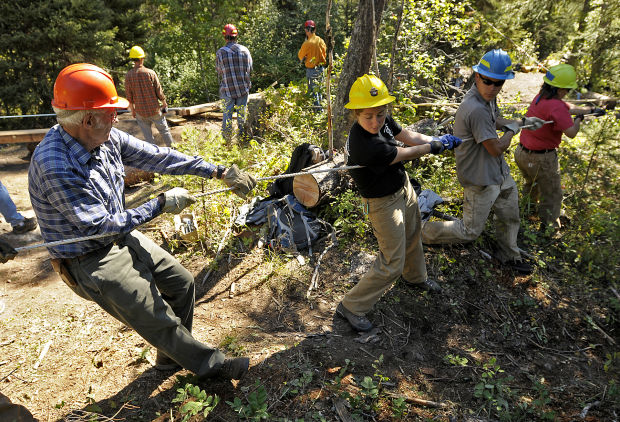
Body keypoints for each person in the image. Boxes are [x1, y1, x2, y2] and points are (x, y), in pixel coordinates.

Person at [28, 63, 257, 381]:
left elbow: (160, 156)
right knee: (156, 317)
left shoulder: (104, 137)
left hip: (119, 235)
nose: (117, 117)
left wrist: (218, 171)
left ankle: (169, 357)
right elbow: (99, 226)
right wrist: (161, 204)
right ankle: (212, 366)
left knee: (182, 283)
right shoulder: (55, 164)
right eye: (111, 112)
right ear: (88, 119)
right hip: (88, 257)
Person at [336, 74, 462, 332]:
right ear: (356, 114)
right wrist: (433, 147)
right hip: (381, 202)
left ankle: (415, 278)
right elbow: (405, 152)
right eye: (368, 116)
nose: (375, 121)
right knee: (392, 260)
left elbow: (407, 136)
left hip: (402, 187)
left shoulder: (382, 119)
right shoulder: (364, 144)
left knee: (413, 234)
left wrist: (437, 140)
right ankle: (351, 306)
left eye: (380, 114)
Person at [421, 49, 546, 275]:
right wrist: (513, 130)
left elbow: (494, 120)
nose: (492, 88)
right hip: (480, 178)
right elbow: (496, 148)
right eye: (488, 81)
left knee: (509, 215)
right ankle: (419, 232)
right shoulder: (475, 108)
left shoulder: (487, 98)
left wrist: (521, 121)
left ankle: (509, 255)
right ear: (477, 76)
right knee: (469, 230)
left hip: (498, 174)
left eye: (498, 83)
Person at [514, 64, 601, 231]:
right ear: (560, 89)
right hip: (541, 159)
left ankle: (527, 214)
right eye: (566, 90)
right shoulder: (557, 107)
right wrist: (578, 120)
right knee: (553, 194)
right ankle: (550, 230)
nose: (566, 93)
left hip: (523, 154)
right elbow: (571, 133)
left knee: (532, 185)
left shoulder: (540, 97)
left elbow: (567, 107)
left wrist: (590, 110)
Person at [124, 46, 175, 147]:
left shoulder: (128, 76)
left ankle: (153, 155)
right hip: (155, 110)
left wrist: (133, 110)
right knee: (164, 131)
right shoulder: (150, 73)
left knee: (148, 137)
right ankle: (173, 150)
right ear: (142, 58)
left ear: (132, 60)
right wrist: (164, 103)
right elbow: (159, 90)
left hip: (140, 112)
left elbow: (129, 96)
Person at [216, 24, 253, 140]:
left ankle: (227, 141)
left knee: (227, 115)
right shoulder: (245, 50)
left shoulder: (220, 53)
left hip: (227, 89)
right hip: (243, 88)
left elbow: (219, 71)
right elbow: (250, 69)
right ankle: (243, 139)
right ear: (236, 36)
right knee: (242, 115)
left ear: (225, 37)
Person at [297, 20, 327, 111]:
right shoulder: (320, 40)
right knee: (319, 91)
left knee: (313, 92)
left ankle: (317, 112)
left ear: (307, 30)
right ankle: (321, 111)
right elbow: (324, 53)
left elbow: (300, 56)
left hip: (311, 70)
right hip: (321, 68)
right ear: (314, 29)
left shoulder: (307, 43)